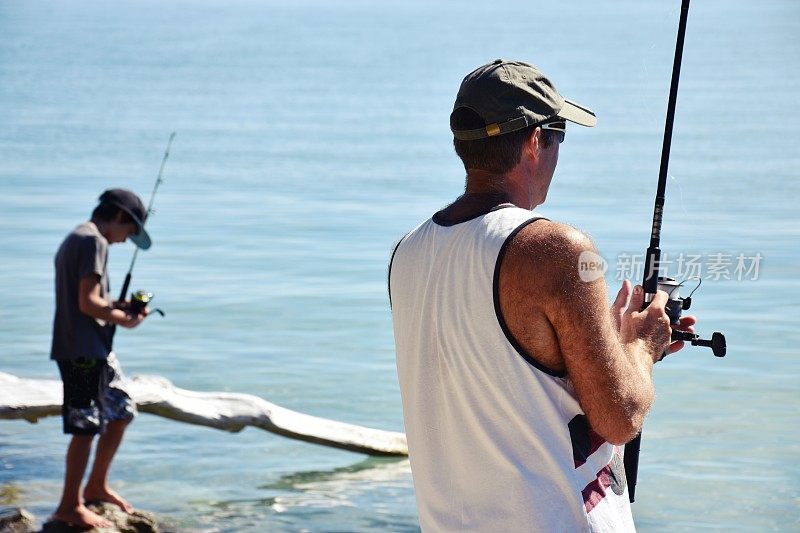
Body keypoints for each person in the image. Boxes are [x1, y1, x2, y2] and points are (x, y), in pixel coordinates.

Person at [388, 59, 696, 532]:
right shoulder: (557, 250)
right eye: (559, 135)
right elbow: (620, 416)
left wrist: (606, 341)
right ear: (535, 141)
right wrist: (642, 346)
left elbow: (504, 374)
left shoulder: (407, 254)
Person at [50, 188, 151, 528]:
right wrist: (126, 319)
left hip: (91, 347)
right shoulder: (93, 241)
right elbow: (87, 303)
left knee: (120, 410)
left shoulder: (79, 237)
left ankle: (96, 485)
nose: (127, 241)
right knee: (84, 428)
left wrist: (118, 307)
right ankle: (69, 506)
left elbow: (90, 300)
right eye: (130, 231)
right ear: (121, 216)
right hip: (80, 352)